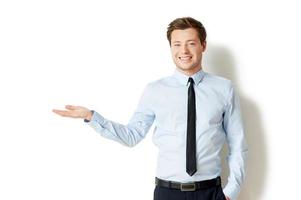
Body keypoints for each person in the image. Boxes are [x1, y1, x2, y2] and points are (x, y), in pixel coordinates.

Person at [53, 17, 247, 200]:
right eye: (177, 44)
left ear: (203, 45)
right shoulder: (155, 90)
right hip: (167, 193)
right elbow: (132, 135)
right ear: (170, 47)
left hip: (210, 192)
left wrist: (231, 191)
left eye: (191, 43)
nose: (184, 50)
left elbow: (237, 144)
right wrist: (92, 117)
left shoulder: (224, 89)